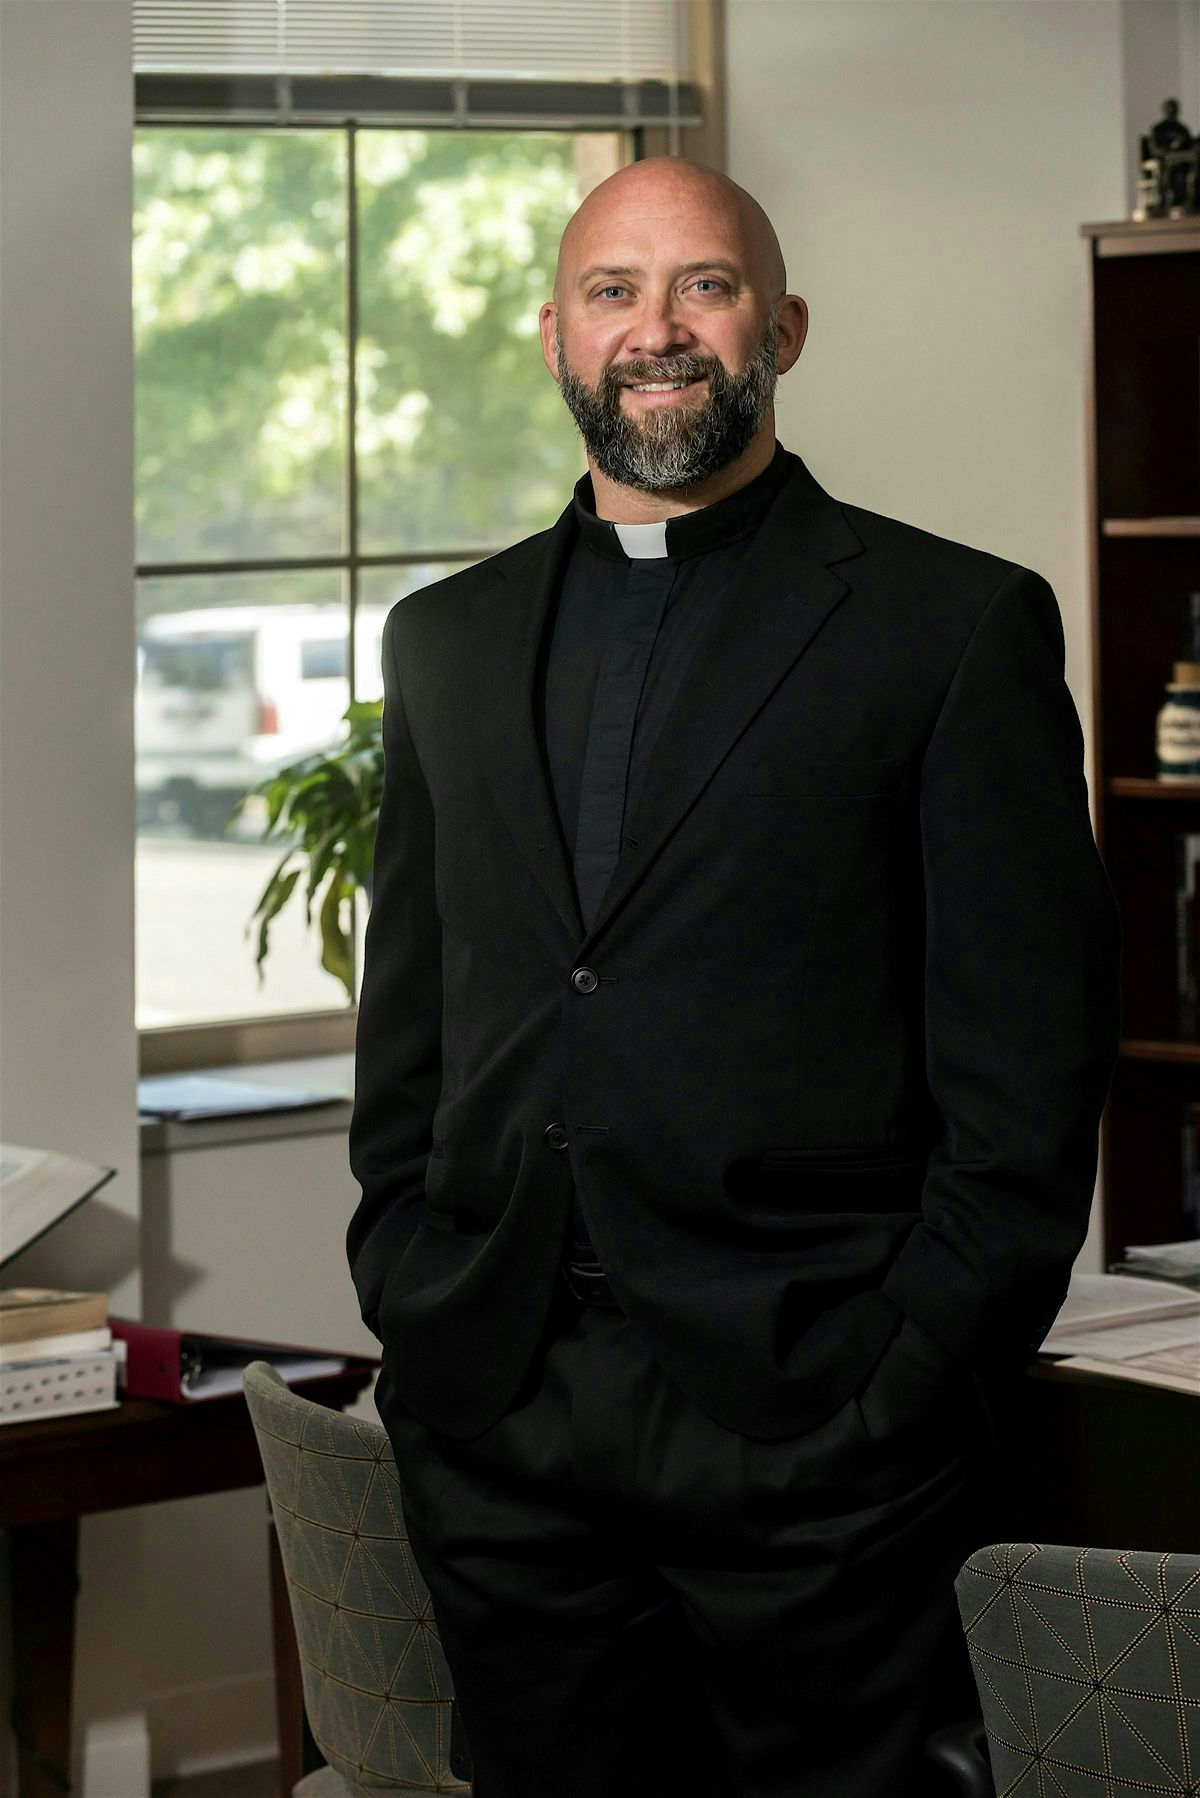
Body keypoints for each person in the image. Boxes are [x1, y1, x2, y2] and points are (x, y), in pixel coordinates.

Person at [347, 154, 1122, 1797]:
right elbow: (409, 1031)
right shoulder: (443, 643)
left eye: (703, 285)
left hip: (820, 1441)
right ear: (555, 335)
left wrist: (904, 1388)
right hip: (504, 1430)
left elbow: (1030, 1091)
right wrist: (408, 1279)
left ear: (783, 326)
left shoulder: (951, 629)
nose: (659, 329)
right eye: (614, 292)